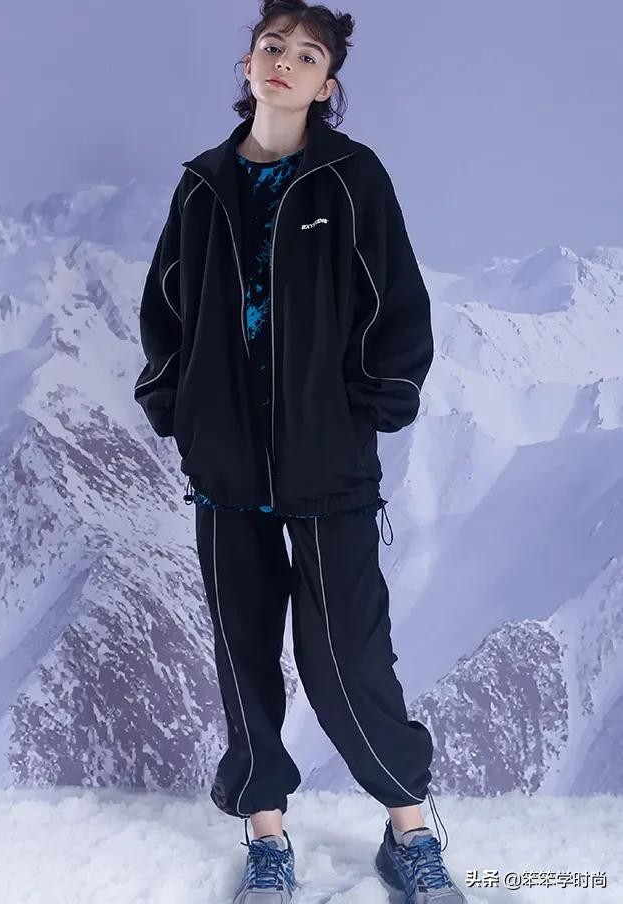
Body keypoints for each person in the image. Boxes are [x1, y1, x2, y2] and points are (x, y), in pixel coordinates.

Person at [134, 1, 467, 901]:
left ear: (328, 85)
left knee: (349, 660)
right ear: (249, 63)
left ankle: (409, 830)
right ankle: (267, 837)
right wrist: (176, 405)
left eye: (307, 55)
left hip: (328, 467)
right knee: (243, 655)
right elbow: (166, 306)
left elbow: (397, 302)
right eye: (272, 46)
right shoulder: (203, 184)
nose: (285, 61)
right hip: (226, 468)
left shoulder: (351, 178)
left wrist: (370, 407)